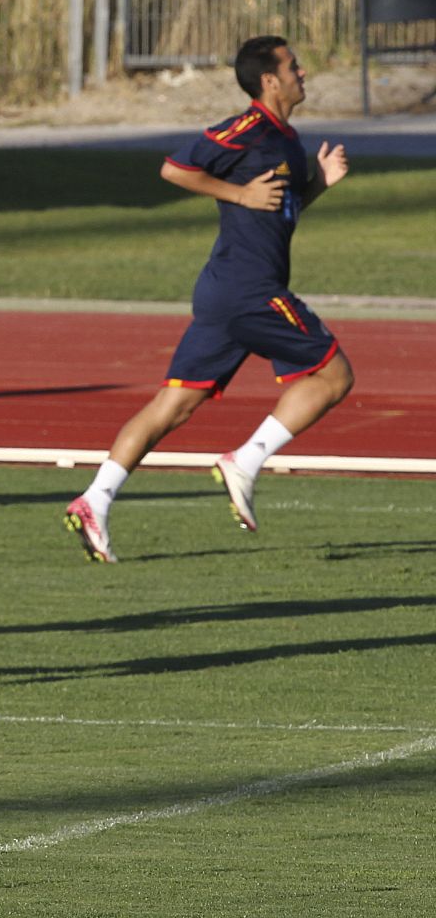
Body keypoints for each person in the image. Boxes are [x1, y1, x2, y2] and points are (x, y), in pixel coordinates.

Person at [64, 36, 354, 563]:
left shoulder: (288, 139)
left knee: (173, 406)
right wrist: (238, 193)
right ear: (269, 79)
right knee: (335, 376)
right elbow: (175, 168)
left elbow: (280, 211)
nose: (303, 71)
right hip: (250, 291)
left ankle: (94, 499)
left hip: (229, 294)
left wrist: (319, 185)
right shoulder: (247, 128)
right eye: (293, 65)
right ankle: (245, 459)